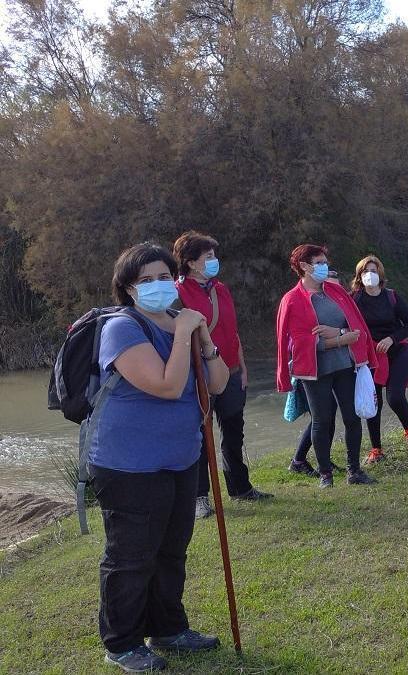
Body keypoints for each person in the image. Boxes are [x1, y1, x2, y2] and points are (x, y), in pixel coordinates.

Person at [92, 242, 230, 672]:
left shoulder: (179, 322)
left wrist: (203, 336)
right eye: (145, 280)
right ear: (128, 288)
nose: (157, 286)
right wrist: (187, 332)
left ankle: (168, 627)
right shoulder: (122, 328)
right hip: (128, 464)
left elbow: (219, 383)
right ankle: (122, 642)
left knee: (172, 549)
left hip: (179, 457)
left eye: (164, 277)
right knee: (131, 557)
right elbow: (168, 385)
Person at [173, 231, 272, 520]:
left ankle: (240, 487)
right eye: (208, 257)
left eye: (214, 255)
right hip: (199, 377)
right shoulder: (179, 294)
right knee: (200, 439)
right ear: (191, 263)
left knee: (234, 433)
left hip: (230, 371)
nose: (214, 261)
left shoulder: (221, 289)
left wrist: (241, 368)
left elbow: (232, 331)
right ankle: (199, 497)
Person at [275, 244, 378, 487]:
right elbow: (299, 342)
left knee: (352, 418)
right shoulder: (291, 300)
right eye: (319, 262)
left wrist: (337, 334)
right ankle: (325, 474)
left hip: (345, 365)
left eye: (324, 262)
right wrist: (340, 339)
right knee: (322, 420)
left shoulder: (336, 291)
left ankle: (355, 471)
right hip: (314, 371)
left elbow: (356, 329)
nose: (324, 266)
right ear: (304, 267)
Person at [351, 255, 408, 463]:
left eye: (373, 271)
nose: (369, 275)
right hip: (369, 356)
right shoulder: (354, 299)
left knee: (395, 396)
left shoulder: (391, 296)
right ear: (359, 276)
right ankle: (376, 449)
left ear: (380, 274)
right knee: (375, 402)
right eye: (365, 272)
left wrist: (392, 339)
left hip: (396, 351)